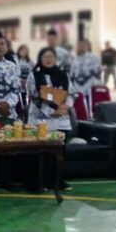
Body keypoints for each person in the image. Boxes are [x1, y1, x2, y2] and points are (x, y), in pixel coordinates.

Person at [26, 47, 74, 191]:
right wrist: (52, 111)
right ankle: (41, 182)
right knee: (41, 154)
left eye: (51, 56)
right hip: (41, 120)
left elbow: (71, 94)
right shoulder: (34, 74)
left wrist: (66, 107)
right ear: (40, 58)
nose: (49, 59)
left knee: (59, 153)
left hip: (61, 119)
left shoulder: (63, 74)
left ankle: (57, 181)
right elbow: (34, 96)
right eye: (45, 56)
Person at [70, 39, 102, 115]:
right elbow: (72, 73)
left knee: (89, 105)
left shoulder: (93, 57)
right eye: (79, 45)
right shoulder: (74, 58)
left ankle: (90, 117)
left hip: (89, 86)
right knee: (79, 105)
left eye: (83, 45)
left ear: (88, 46)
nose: (81, 47)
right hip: (77, 87)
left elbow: (97, 71)